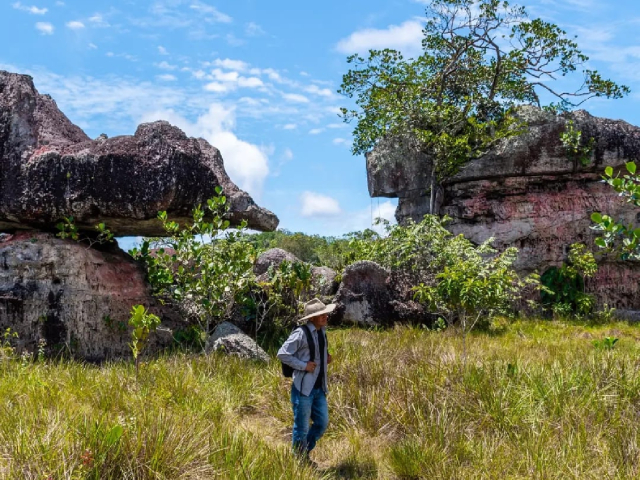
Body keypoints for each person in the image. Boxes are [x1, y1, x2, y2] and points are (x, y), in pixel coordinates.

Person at [277, 298, 335, 460]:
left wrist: (326, 359)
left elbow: (316, 354)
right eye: (320, 314)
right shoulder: (300, 333)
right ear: (311, 318)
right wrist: (303, 366)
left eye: (325, 313)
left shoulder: (322, 332)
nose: (324, 316)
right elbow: (282, 353)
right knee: (301, 428)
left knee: (322, 423)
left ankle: (303, 453)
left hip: (319, 388)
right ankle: (299, 459)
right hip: (303, 389)